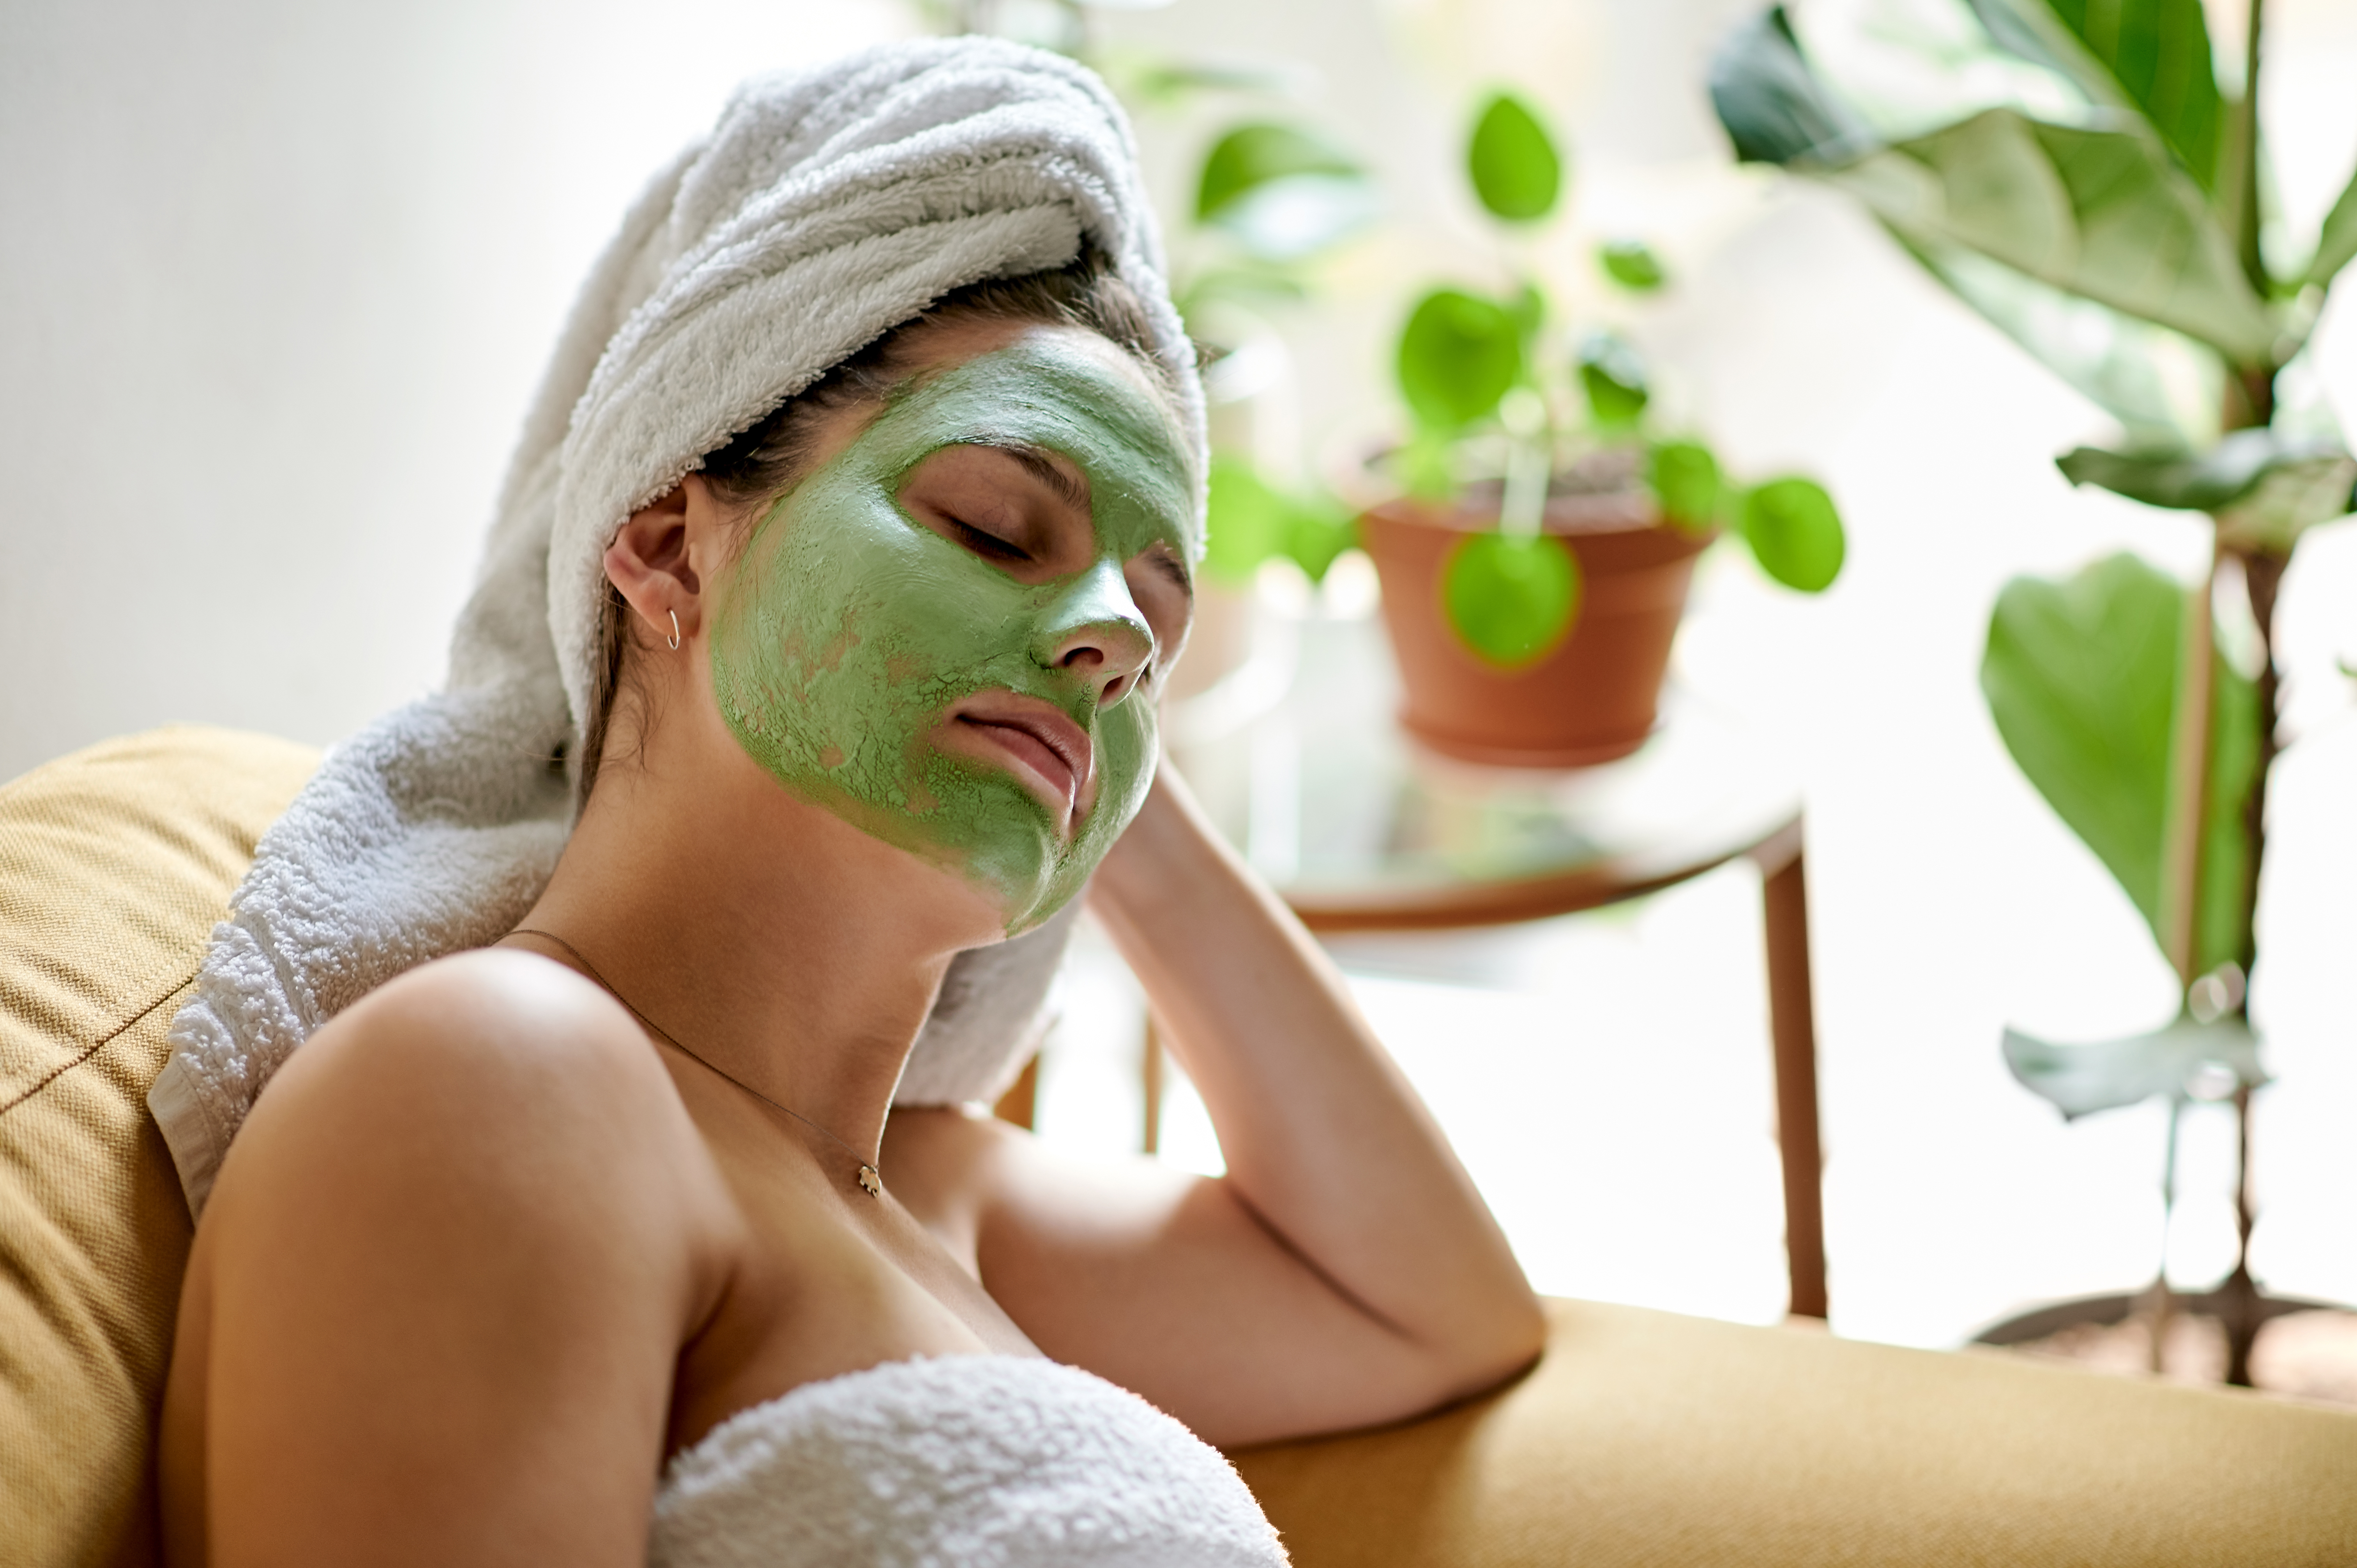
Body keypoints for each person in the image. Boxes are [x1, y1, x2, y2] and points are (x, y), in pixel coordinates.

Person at [155, 39, 1541, 1567]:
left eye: (1160, 621)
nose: (1123, 638)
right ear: (674, 549)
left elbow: (1436, 1311)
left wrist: (1080, 722)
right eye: (993, 524)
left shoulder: (939, 1200)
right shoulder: (506, 1079)